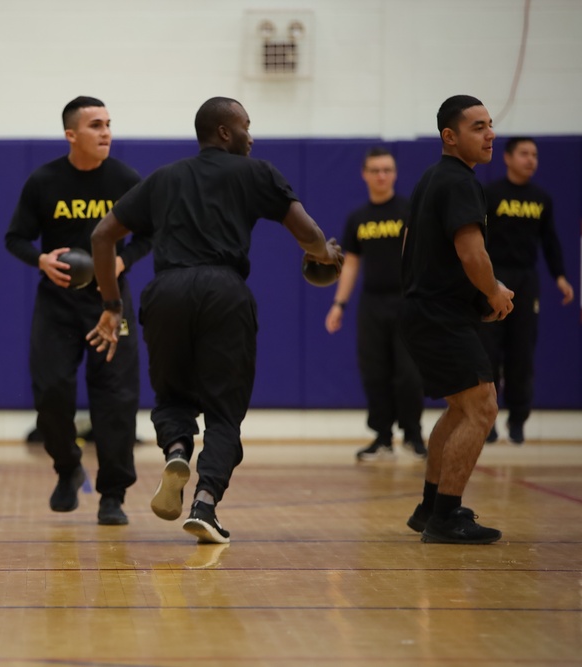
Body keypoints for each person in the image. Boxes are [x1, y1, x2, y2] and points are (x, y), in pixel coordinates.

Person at [86, 96, 343, 544]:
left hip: (166, 291)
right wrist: (326, 254)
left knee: (171, 397)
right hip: (224, 292)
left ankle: (178, 449)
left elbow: (102, 234)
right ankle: (205, 504)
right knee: (224, 412)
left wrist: (111, 304)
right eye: (246, 124)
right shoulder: (258, 172)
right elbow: (309, 234)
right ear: (225, 132)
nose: (251, 134)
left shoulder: (163, 178)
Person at [4, 96, 151, 526]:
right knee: (51, 391)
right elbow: (15, 238)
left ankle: (113, 495)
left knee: (116, 400)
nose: (106, 132)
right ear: (71, 135)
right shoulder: (44, 181)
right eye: (95, 125)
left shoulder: (125, 179)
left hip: (109, 304)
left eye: (108, 124)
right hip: (58, 304)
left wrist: (124, 261)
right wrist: (40, 260)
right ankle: (68, 468)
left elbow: (152, 233)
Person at [399, 95, 514, 544]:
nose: (490, 135)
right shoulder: (460, 183)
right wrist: (494, 292)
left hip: (425, 311)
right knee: (483, 407)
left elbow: (409, 246)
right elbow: (472, 253)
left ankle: (430, 507)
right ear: (450, 137)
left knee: (462, 407)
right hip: (439, 315)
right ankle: (445, 518)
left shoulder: (431, 180)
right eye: (478, 127)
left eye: (490, 125)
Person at [325, 147, 426, 461]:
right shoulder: (359, 218)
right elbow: (351, 264)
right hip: (371, 304)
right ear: (365, 174)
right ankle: (382, 437)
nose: (382, 175)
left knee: (408, 373)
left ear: (394, 173)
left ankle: (413, 435)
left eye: (387, 169)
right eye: (375, 170)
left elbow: (423, 258)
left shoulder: (410, 211)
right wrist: (339, 303)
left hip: (407, 302)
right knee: (374, 372)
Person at [480, 137, 575, 444]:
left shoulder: (541, 198)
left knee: (521, 352)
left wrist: (559, 275)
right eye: (524, 153)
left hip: (526, 280)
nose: (531, 159)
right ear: (507, 158)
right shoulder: (490, 194)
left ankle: (518, 420)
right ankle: (488, 420)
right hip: (494, 279)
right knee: (489, 352)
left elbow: (550, 241)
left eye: (534, 154)